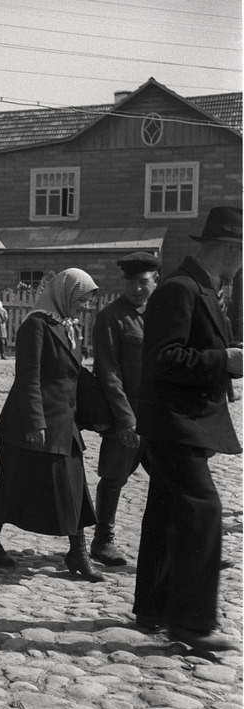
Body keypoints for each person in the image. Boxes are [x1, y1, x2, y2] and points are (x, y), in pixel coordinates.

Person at [133, 206, 243, 651]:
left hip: (180, 421)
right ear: (230, 249)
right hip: (174, 423)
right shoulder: (179, 290)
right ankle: (193, 624)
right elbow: (162, 359)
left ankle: (154, 606)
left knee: (164, 512)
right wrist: (226, 360)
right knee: (203, 511)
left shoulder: (202, 288)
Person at [0, 268, 105, 582]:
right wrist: (35, 423)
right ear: (64, 295)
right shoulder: (35, 326)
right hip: (29, 425)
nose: (85, 307)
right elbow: (28, 378)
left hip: (64, 424)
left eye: (88, 301)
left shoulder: (68, 327)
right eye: (81, 300)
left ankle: (77, 551)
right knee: (8, 486)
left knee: (73, 485)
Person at [89, 252, 160, 567]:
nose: (137, 288)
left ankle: (173, 542)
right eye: (130, 282)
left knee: (172, 479)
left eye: (143, 282)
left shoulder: (164, 315)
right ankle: (103, 541)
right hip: (126, 416)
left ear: (155, 280)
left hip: (161, 416)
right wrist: (125, 420)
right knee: (114, 477)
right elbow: (108, 373)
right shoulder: (111, 317)